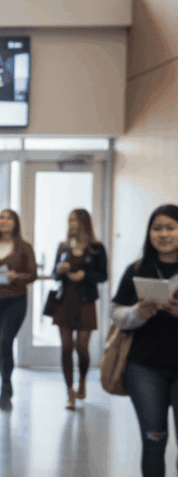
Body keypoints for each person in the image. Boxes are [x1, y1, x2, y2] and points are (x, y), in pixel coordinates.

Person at [111, 204, 178, 477]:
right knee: (153, 442)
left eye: (170, 227)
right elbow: (116, 313)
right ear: (149, 233)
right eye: (157, 228)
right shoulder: (137, 269)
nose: (163, 234)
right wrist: (137, 313)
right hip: (144, 367)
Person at [0, 209, 37, 410]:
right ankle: (5, 385)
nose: (4, 221)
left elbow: (32, 274)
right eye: (1, 217)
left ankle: (6, 389)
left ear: (16, 222)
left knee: (5, 341)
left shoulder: (24, 247)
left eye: (9, 217)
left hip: (16, 300)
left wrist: (16, 276)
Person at [50, 208, 107, 410]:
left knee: (82, 348)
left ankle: (82, 381)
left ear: (84, 223)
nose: (71, 224)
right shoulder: (63, 247)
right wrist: (59, 270)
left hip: (85, 302)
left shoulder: (97, 248)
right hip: (64, 301)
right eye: (69, 220)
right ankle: (70, 392)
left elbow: (103, 275)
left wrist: (85, 275)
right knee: (66, 347)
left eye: (74, 220)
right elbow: (54, 274)